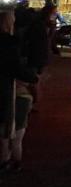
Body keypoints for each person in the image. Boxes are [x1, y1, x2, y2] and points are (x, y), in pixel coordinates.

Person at [1, 10, 39, 173]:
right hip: (4, 89)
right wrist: (33, 78)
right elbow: (15, 67)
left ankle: (7, 159)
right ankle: (6, 160)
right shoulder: (9, 43)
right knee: (6, 128)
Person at [23, 1, 57, 107]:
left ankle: (34, 100)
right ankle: (34, 100)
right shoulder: (39, 24)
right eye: (53, 13)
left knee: (37, 76)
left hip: (41, 53)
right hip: (37, 53)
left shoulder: (47, 24)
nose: (54, 15)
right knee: (34, 77)